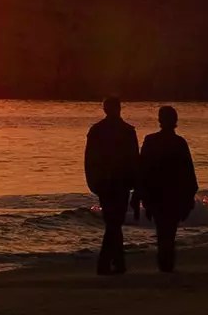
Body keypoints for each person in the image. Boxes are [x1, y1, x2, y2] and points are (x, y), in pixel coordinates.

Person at [84, 97, 140, 275]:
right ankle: (109, 262)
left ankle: (116, 261)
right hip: (118, 182)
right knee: (115, 222)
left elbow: (89, 159)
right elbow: (134, 160)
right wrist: (135, 183)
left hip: (106, 182)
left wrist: (92, 181)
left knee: (113, 221)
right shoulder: (126, 131)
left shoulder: (98, 130)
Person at [138, 106, 199, 273]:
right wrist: (189, 198)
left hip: (157, 195)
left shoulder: (151, 141)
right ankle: (167, 265)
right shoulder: (179, 143)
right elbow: (189, 173)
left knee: (162, 232)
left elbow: (142, 170)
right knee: (169, 233)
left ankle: (164, 265)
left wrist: (141, 195)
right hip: (174, 195)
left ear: (160, 120)